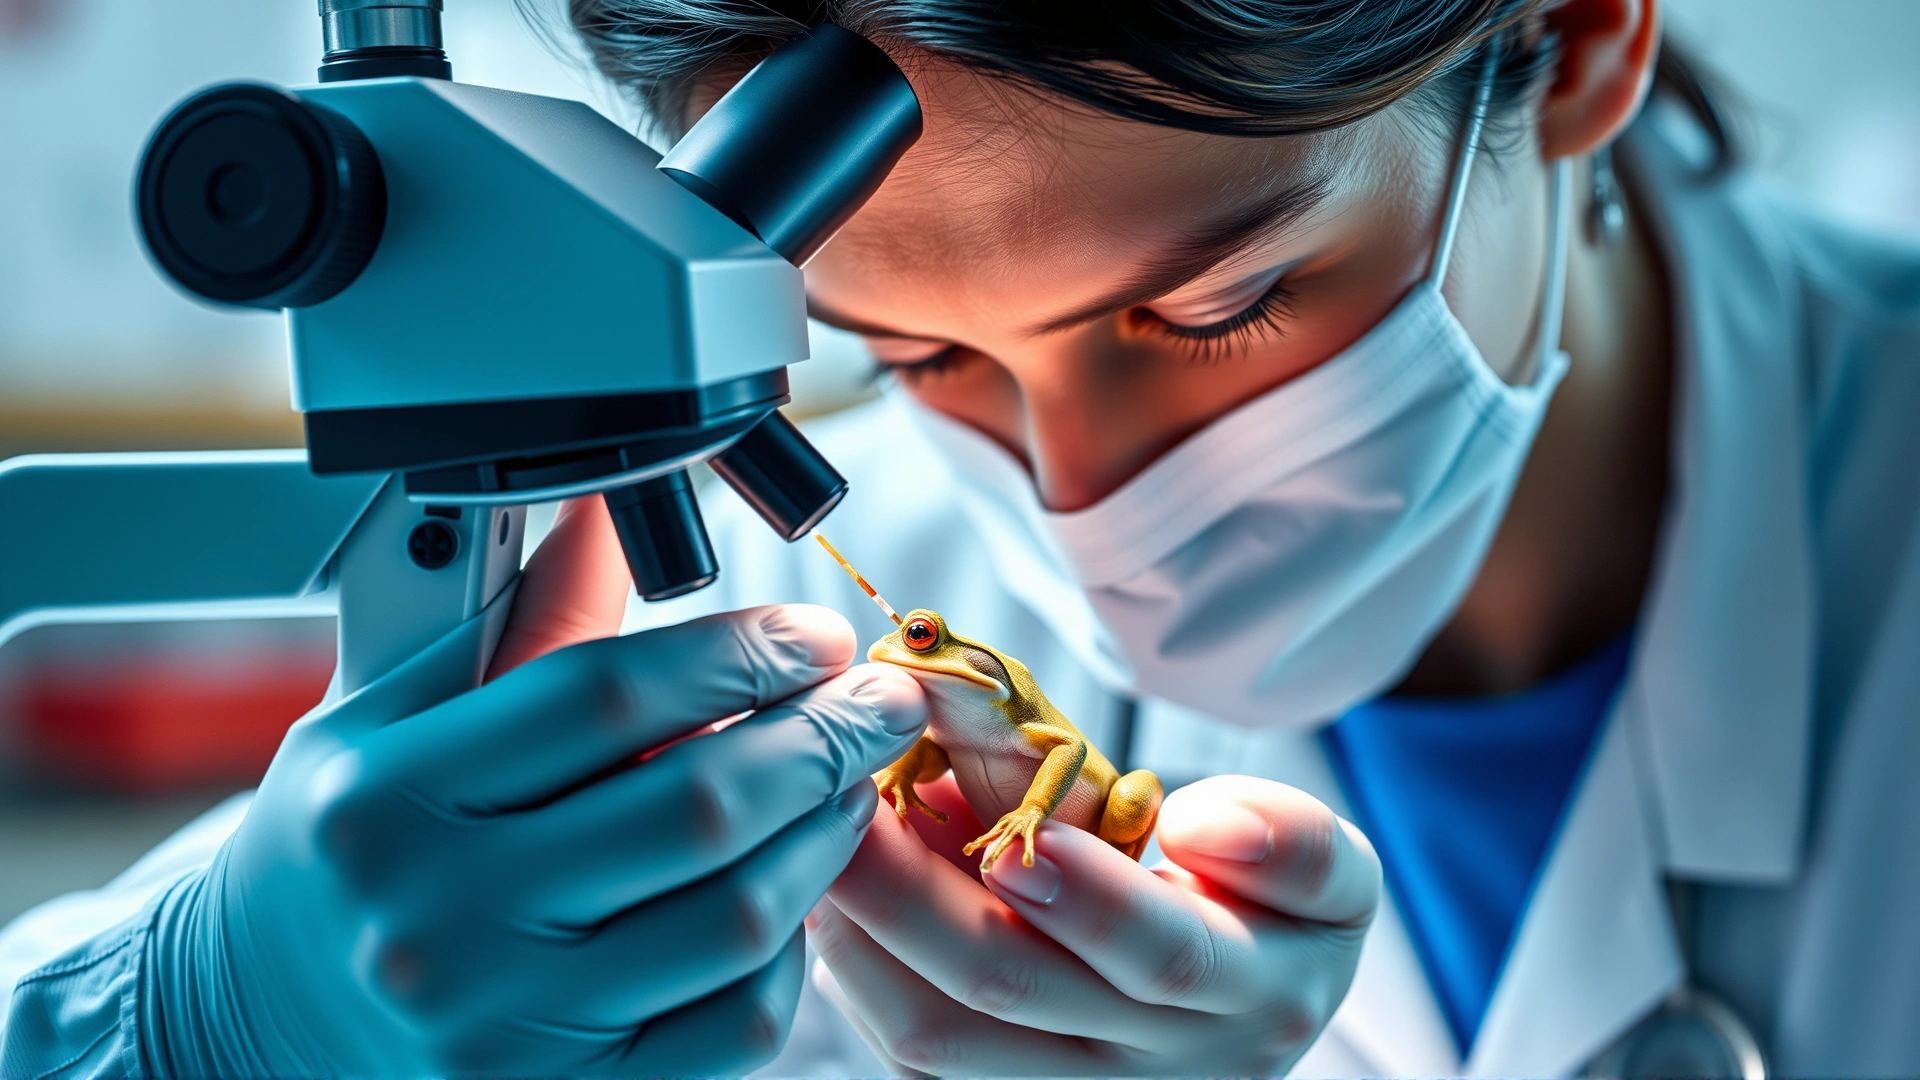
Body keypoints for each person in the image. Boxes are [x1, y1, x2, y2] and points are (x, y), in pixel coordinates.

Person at [4, 0, 1918, 1074]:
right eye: (920, 352)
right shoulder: (758, 647)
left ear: (1571, 41)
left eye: (1214, 309)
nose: (1079, 500)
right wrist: (208, 1019)